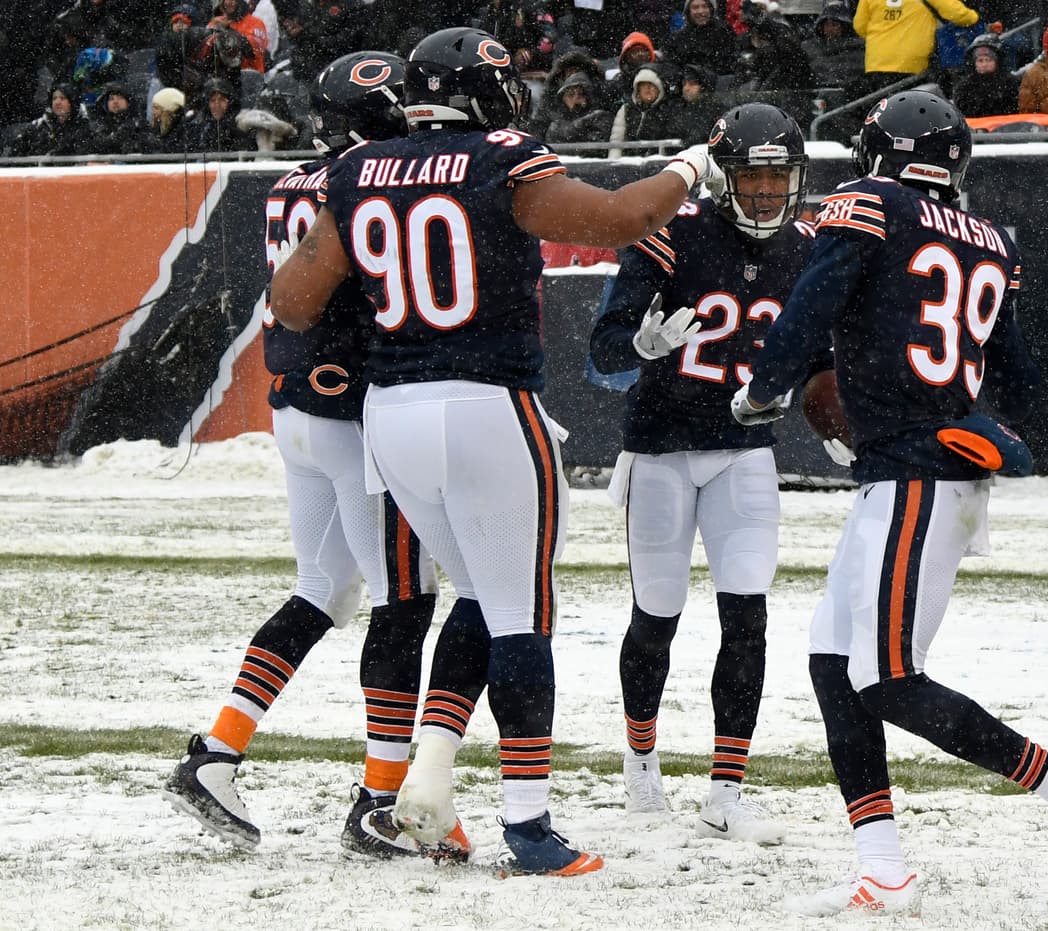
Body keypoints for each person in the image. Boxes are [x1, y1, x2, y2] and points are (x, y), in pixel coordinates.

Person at [268, 26, 723, 877]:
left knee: (475, 596)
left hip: (391, 414)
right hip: (485, 401)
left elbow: (291, 301)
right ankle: (527, 821)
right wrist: (694, 162)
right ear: (481, 92)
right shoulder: (502, 155)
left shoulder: (357, 168)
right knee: (523, 611)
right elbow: (625, 217)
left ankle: (428, 787)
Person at [731, 90, 1048, 916]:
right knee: (831, 660)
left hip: (917, 471)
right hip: (918, 465)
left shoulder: (869, 203)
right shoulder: (987, 240)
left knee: (886, 676)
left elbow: (814, 303)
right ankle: (883, 869)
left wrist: (764, 389)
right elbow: (1017, 378)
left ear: (881, 156)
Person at [162, 51, 468, 862]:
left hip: (298, 409)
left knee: (324, 590)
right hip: (354, 416)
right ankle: (379, 796)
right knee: (405, 601)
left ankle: (217, 752)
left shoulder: (293, 181)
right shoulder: (369, 180)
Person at [588, 102, 819, 845]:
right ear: (724, 177)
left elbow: (824, 355)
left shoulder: (809, 246)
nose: (763, 193)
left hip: (745, 452)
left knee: (746, 615)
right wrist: (643, 345)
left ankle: (727, 787)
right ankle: (641, 754)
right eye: (751, 176)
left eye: (776, 178)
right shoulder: (674, 233)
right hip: (659, 448)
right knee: (656, 615)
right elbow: (602, 352)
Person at [854, 0, 979, 90]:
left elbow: (860, 26)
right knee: (911, 112)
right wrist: (975, 17)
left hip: (877, 62)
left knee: (881, 111)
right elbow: (960, 15)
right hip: (911, 63)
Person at [951, 32, 1021, 117]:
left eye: (989, 60)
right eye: (980, 60)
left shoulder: (1010, 83)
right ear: (974, 63)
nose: (984, 64)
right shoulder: (964, 87)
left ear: (997, 62)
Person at [665, 0, 738, 76]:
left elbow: (730, 66)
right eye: (695, 7)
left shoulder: (725, 33)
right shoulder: (678, 38)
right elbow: (673, 69)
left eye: (705, 6)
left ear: (711, 9)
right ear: (688, 11)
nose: (701, 11)